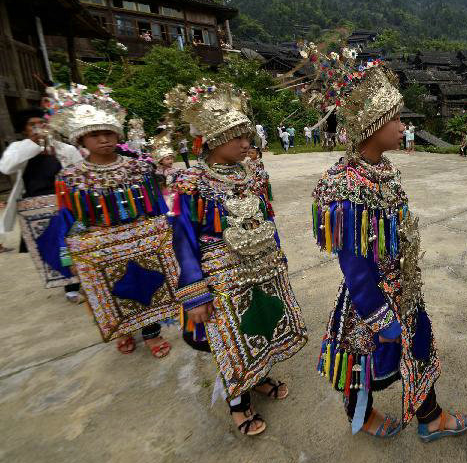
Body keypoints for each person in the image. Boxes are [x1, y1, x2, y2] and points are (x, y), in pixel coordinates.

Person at [304, 43, 467, 441]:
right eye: (394, 118)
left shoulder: (386, 171)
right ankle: (360, 415)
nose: (402, 126)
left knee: (420, 347)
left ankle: (430, 415)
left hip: (404, 286)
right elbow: (354, 266)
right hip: (371, 296)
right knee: (363, 360)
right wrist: (379, 314)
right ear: (371, 125)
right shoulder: (344, 186)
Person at [168, 81, 307, 436]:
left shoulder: (254, 173)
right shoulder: (193, 181)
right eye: (237, 137)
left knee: (262, 323)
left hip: (262, 266)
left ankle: (258, 377)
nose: (247, 144)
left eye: (247, 136)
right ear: (213, 140)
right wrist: (195, 292)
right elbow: (183, 237)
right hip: (221, 274)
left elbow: (267, 218)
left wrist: (278, 258)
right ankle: (237, 401)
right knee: (229, 334)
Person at [38, 85, 178, 357]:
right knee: (107, 291)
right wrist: (71, 259)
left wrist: (165, 236)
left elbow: (156, 208)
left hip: (141, 242)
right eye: (95, 135)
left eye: (108, 133)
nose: (103, 139)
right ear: (81, 140)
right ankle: (121, 329)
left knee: (147, 287)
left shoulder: (139, 168)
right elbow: (68, 221)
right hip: (97, 247)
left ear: (118, 134)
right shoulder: (71, 177)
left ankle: (151, 332)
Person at [0, 107, 83, 301]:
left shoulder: (65, 149)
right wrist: (32, 144)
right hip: (34, 208)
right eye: (32, 125)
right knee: (50, 246)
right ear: (23, 130)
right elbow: (6, 167)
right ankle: (68, 287)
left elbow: (80, 172)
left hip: (65, 206)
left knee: (71, 244)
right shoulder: (18, 148)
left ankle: (76, 284)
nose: (38, 128)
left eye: (42, 123)